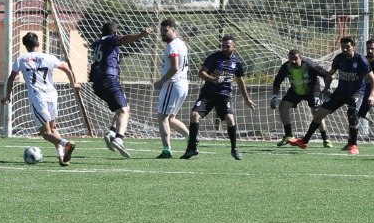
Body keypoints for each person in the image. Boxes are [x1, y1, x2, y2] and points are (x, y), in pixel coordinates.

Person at [1, 31, 79, 166]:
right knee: (53, 128)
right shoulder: (49, 57)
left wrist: (7, 95)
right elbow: (66, 68)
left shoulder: (21, 60)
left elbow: (11, 78)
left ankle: (66, 144)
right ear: (38, 43)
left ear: (25, 45)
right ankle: (61, 157)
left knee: (46, 133)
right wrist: (74, 83)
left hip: (38, 97)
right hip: (52, 95)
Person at [290, 36, 374, 155]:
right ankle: (304, 141)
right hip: (340, 92)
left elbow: (373, 78)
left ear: (353, 47)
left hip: (356, 93)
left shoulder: (361, 60)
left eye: (348, 47)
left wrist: (371, 95)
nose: (345, 49)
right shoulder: (339, 58)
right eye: (342, 47)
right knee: (319, 114)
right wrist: (326, 87)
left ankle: (353, 145)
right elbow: (330, 74)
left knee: (352, 113)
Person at [182, 35, 255, 160]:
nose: (225, 48)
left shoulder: (237, 63)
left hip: (224, 96)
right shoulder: (214, 57)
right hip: (208, 94)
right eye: (223, 46)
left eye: (227, 46)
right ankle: (191, 147)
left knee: (230, 119)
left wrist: (247, 99)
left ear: (234, 47)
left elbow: (240, 80)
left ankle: (234, 149)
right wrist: (213, 79)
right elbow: (201, 73)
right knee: (194, 115)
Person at [88, 21, 150, 159]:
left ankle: (111, 132)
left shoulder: (96, 43)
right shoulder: (111, 40)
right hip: (109, 80)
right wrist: (142, 34)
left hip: (97, 84)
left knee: (124, 108)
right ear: (115, 33)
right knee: (124, 111)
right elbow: (125, 39)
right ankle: (119, 138)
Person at [270, 49, 331, 147]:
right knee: (283, 106)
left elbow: (326, 74)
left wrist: (327, 89)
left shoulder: (309, 65)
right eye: (291, 59)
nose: (293, 61)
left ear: (301, 58)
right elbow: (277, 81)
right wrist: (274, 96)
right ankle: (288, 135)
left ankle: (325, 139)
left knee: (316, 112)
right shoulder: (286, 67)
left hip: (312, 90)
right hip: (296, 91)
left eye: (295, 59)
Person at [152, 18, 190, 158]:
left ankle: (167, 150)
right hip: (182, 84)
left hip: (173, 84)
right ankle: (191, 139)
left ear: (174, 30)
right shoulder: (182, 44)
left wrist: (161, 81)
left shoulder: (172, 46)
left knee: (162, 117)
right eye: (161, 31)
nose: (163, 33)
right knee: (171, 118)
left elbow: (175, 67)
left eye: (166, 31)